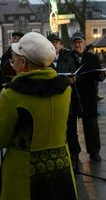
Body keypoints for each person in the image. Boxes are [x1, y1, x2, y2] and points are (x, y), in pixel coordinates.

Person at [0, 32, 77, 200]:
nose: (12, 62)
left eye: (13, 59)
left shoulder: (11, 94)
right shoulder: (65, 89)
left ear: (23, 62)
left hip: (23, 174)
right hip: (60, 169)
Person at [47, 33, 81, 170]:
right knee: (56, 132)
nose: (55, 44)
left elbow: (75, 75)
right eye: (52, 42)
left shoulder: (68, 58)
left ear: (61, 45)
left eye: (57, 42)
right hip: (52, 102)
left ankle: (74, 159)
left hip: (68, 101)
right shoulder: (44, 60)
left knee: (72, 131)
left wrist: (73, 79)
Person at [71, 32, 103, 161]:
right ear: (72, 44)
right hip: (74, 94)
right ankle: (74, 153)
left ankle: (94, 151)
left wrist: (101, 76)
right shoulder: (68, 57)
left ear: (84, 42)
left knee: (91, 125)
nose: (78, 44)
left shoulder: (92, 57)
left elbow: (98, 74)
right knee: (72, 126)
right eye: (75, 42)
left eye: (80, 42)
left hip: (89, 95)